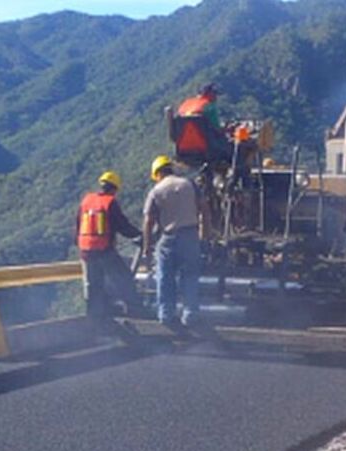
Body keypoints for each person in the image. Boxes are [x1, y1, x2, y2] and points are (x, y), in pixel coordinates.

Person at [142, 156, 211, 327]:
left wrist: (147, 247)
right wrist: (205, 237)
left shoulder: (156, 191)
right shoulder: (189, 184)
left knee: (165, 277)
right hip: (190, 236)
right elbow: (205, 211)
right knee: (189, 276)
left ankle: (166, 314)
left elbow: (148, 222)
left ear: (157, 174)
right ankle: (190, 314)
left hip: (168, 238)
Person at [76, 170, 143, 319]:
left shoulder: (86, 200)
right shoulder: (109, 202)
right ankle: (135, 310)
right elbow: (122, 225)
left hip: (85, 251)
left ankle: (95, 316)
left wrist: (79, 245)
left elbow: (78, 224)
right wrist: (139, 235)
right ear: (114, 189)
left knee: (93, 284)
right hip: (103, 250)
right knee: (123, 277)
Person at [176, 83, 231, 163]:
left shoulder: (185, 104)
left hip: (183, 150)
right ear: (210, 94)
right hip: (206, 149)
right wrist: (226, 129)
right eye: (215, 94)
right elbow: (217, 129)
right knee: (232, 146)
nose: (216, 97)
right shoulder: (210, 106)